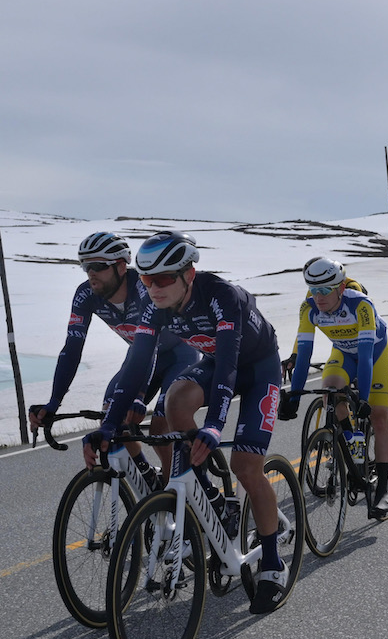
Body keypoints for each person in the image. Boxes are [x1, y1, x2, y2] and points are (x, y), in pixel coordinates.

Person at [87, 231, 290, 615]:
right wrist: (109, 424)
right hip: (216, 363)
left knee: (247, 467)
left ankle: (273, 563)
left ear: (188, 274)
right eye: (146, 280)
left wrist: (214, 424)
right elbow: (136, 367)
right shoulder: (154, 307)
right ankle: (212, 498)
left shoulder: (221, 295)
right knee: (174, 402)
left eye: (163, 279)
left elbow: (230, 365)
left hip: (259, 367)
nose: (154, 288)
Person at [29, 232, 203, 487]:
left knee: (160, 428)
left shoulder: (144, 289)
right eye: (86, 266)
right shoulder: (85, 295)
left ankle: (176, 491)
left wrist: (139, 394)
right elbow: (72, 348)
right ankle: (149, 480)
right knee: (111, 418)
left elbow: (149, 348)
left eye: (98, 266)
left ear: (121, 266)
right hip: (139, 357)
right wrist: (53, 402)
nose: (91, 273)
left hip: (179, 354)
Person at [278, 257, 388, 519]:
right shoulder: (308, 307)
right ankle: (351, 445)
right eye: (313, 289)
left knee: (377, 415)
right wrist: (295, 397)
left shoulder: (360, 304)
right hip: (343, 353)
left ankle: (383, 489)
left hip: (373, 355)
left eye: (324, 290)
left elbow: (365, 356)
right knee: (329, 392)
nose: (317, 296)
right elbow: (305, 351)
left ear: (340, 288)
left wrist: (363, 399)